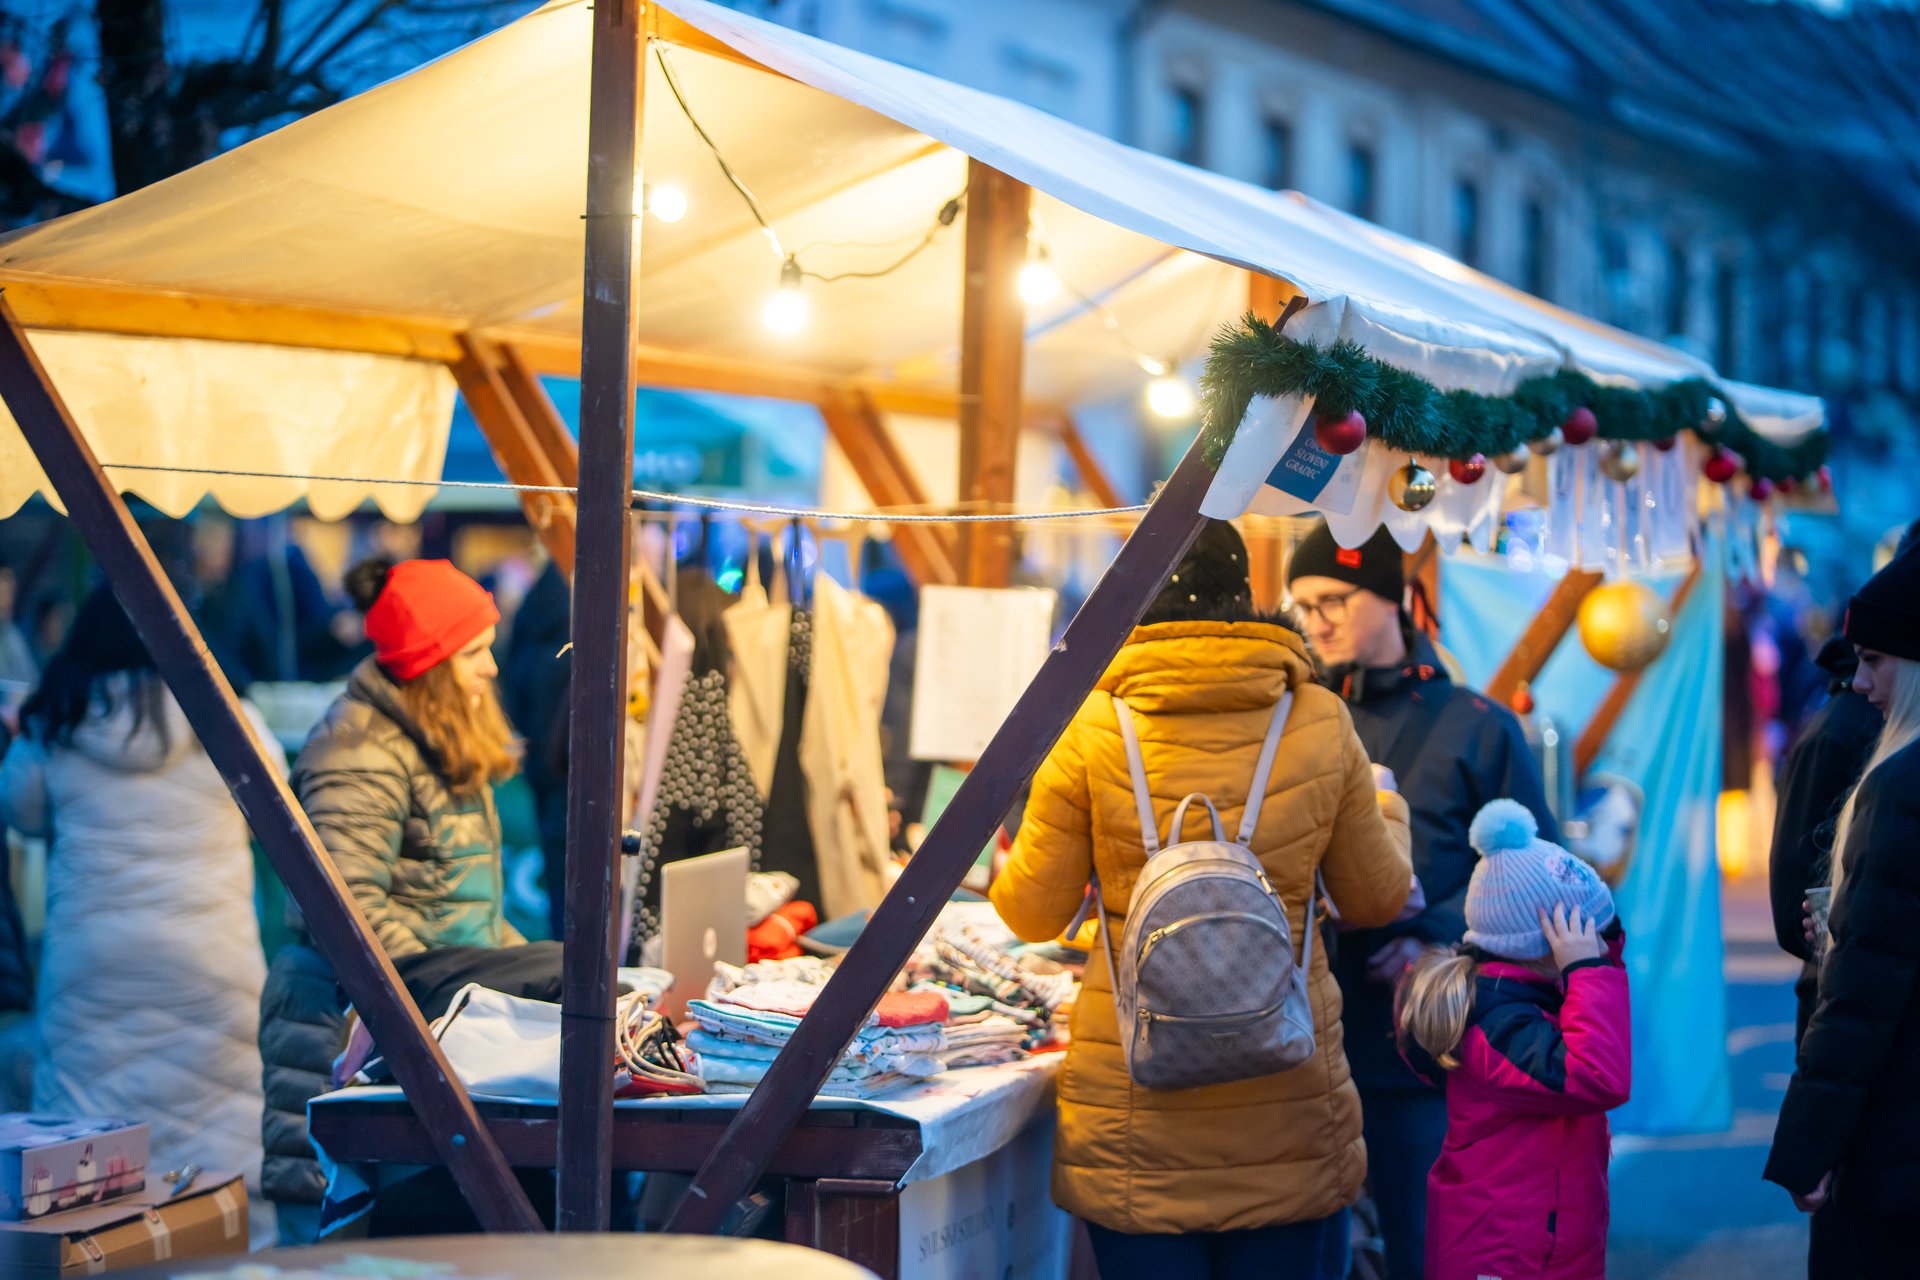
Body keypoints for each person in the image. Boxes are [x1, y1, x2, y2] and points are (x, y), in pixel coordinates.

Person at [990, 519, 1414, 1280]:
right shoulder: (1319, 719)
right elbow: (1378, 898)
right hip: (1289, 1121)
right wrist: (1388, 811)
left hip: (1133, 1130)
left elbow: (1031, 914)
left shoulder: (1091, 726)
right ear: (1246, 596)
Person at [1285, 521, 1559, 1280]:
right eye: (1303, 604)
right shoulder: (1298, 721)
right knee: (1311, 1258)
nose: (1317, 621)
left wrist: (1438, 933)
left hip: (1422, 1048)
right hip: (1299, 1045)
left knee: (1424, 1248)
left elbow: (1536, 872)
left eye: (1335, 599)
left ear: (1392, 598)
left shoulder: (1477, 725)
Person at [262, 556, 561, 1240]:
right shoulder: (358, 750)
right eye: (475, 653)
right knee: (355, 1253)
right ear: (431, 664)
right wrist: (461, 992)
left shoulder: (434, 736)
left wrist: (518, 980)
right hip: (352, 1030)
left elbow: (464, 908)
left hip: (429, 1029)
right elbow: (347, 914)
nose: (491, 667)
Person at [0, 584, 274, 1238]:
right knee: (224, 1134)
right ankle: (229, 1249)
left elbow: (20, 811)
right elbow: (273, 803)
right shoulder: (227, 718)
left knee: (87, 1160)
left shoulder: (56, 723)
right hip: (213, 962)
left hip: (92, 968)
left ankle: (97, 1256)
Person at [1765, 542, 1920, 1277]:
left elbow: (1863, 998)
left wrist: (1809, 1148)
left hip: (1897, 1143)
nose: (1859, 682)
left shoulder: (1900, 786)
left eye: (1875, 661)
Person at [1397, 800, 1629, 1280]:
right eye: (1590, 937)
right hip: (1505, 1255)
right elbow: (1595, 1076)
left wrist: (1588, 965)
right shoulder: (1497, 1024)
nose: (1600, 948)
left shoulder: (1530, 1000)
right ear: (1545, 949)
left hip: (1541, 1246)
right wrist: (1589, 970)